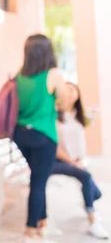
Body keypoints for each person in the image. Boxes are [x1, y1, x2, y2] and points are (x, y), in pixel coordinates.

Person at [13, 34, 71, 242]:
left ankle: (42, 220)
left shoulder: (20, 75)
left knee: (39, 178)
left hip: (21, 135)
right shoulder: (53, 74)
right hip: (43, 135)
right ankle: (30, 228)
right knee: (38, 181)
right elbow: (65, 104)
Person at [53, 82, 109, 239]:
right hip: (60, 160)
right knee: (86, 177)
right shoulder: (55, 115)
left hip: (77, 160)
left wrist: (80, 159)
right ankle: (93, 221)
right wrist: (73, 162)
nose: (71, 94)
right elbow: (56, 148)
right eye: (68, 90)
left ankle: (89, 201)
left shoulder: (78, 114)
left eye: (74, 90)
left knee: (96, 192)